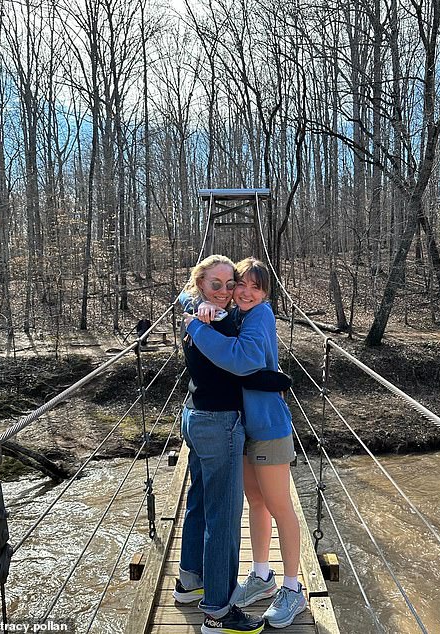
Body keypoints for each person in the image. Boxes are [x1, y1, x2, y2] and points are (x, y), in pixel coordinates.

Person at [184, 257, 307, 629]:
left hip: (267, 425)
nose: (245, 292)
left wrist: (194, 325)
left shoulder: (260, 316)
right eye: (241, 285)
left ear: (266, 294)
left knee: (280, 506)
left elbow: (245, 359)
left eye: (257, 287)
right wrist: (193, 305)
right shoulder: (232, 312)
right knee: (256, 502)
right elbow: (185, 294)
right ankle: (261, 575)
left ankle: (291, 589)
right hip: (243, 425)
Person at [173, 254, 265, 634]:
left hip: (194, 416)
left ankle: (189, 581)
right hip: (219, 423)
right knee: (224, 517)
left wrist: (195, 302)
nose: (226, 292)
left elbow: (181, 297)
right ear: (199, 282)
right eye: (217, 284)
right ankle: (217, 611)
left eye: (231, 284)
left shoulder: (203, 310)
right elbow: (244, 363)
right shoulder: (209, 321)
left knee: (198, 502)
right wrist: (199, 308)